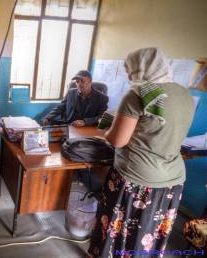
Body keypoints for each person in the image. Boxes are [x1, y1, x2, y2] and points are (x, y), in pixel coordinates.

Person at [88, 47, 194, 257]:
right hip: (171, 182)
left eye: (131, 70)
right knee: (148, 233)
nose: (128, 75)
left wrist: (107, 130)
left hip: (136, 181)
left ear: (142, 69)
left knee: (117, 230)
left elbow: (118, 140)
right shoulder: (184, 94)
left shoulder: (137, 95)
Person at [43, 70, 108, 127]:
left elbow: (102, 117)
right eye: (77, 82)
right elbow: (61, 107)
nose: (79, 84)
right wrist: (48, 117)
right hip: (68, 125)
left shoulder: (102, 98)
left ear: (90, 81)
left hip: (86, 127)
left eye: (82, 81)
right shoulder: (71, 92)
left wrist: (85, 122)